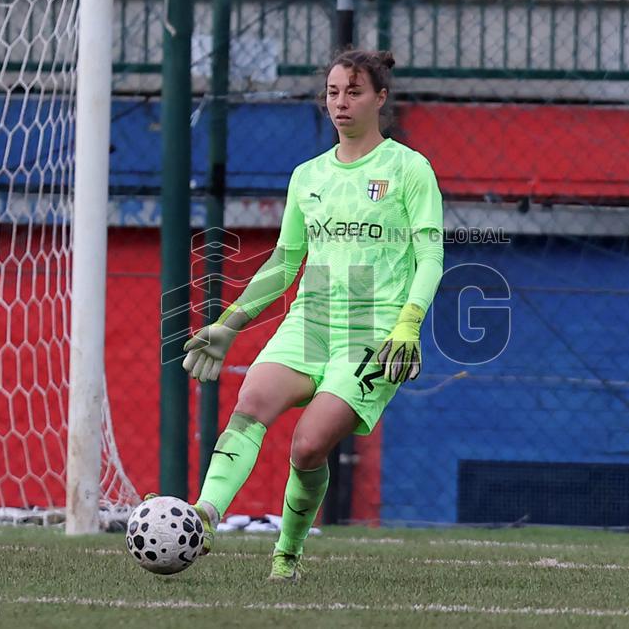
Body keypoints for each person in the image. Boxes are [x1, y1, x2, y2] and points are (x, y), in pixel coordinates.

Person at [177, 48, 444, 582]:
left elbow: (432, 256)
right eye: (332, 92)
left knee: (308, 444)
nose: (341, 103)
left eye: (354, 92)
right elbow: (284, 262)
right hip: (310, 322)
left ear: (380, 98)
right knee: (250, 400)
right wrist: (229, 324)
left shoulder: (409, 169)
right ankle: (203, 519)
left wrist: (409, 324)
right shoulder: (308, 176)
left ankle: (288, 554)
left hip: (374, 334)